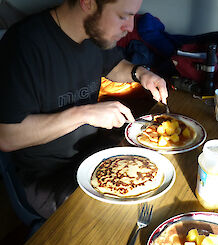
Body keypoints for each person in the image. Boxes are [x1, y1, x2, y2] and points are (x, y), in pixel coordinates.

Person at [0, 0, 168, 219]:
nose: (130, 27)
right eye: (122, 16)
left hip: (93, 154)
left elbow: (115, 66)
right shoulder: (23, 45)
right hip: (47, 175)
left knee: (158, 178)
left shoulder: (94, 33)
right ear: (88, 3)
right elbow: (7, 136)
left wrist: (141, 73)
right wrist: (83, 113)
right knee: (119, 219)